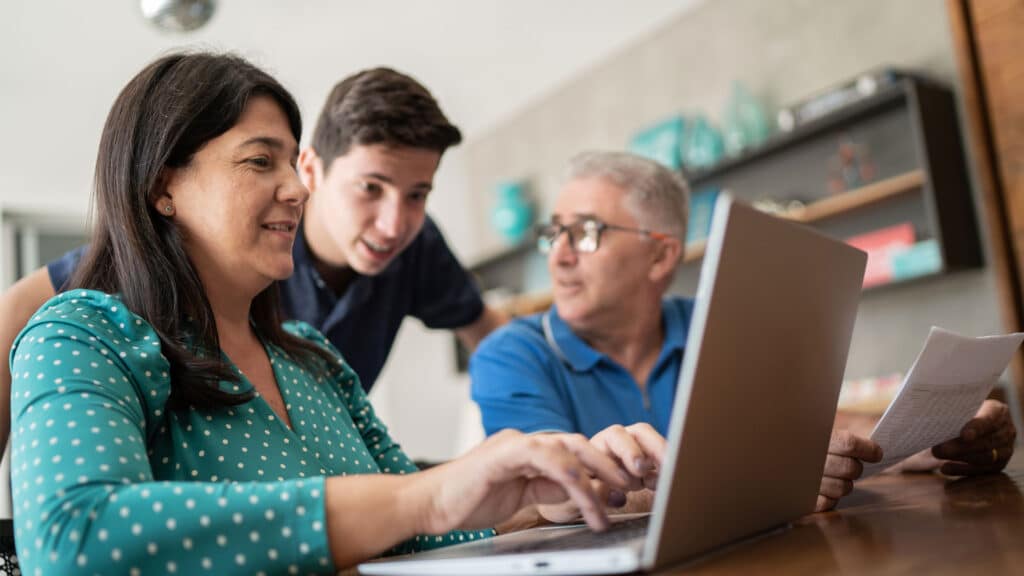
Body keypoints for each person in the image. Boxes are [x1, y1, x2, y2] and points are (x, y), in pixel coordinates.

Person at [8, 52, 662, 574]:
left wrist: (550, 494)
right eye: (260, 160)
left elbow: (415, 529)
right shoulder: (84, 333)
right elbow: (74, 541)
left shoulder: (314, 359)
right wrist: (423, 498)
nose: (296, 188)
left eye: (291, 162)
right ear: (162, 187)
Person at [469, 151, 1017, 512]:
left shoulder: (715, 319)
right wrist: (767, 477)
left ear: (661, 256)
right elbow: (545, 498)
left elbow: (807, 426)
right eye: (554, 234)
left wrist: (928, 438)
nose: (559, 257)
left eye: (584, 233)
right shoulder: (508, 354)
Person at [0, 64, 505, 455]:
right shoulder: (90, 323)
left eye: (418, 195)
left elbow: (489, 335)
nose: (394, 224)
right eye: (370, 188)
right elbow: (22, 305)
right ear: (314, 169)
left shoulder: (415, 253)